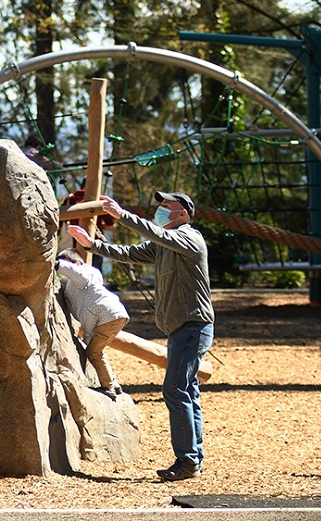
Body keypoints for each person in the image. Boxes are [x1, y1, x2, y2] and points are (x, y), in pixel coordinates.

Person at [68, 191, 215, 482]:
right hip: (179, 329)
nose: (160, 210)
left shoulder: (190, 238)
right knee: (186, 391)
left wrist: (122, 215)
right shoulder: (163, 246)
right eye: (159, 205)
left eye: (166, 207)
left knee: (175, 390)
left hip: (193, 326)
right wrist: (92, 245)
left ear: (183, 213)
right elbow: (129, 254)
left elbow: (152, 231)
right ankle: (192, 460)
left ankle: (187, 461)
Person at [55, 248, 129, 400]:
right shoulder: (79, 283)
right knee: (96, 350)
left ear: (76, 263)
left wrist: (55, 264)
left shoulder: (84, 273)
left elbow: (78, 274)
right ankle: (113, 383)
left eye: (66, 265)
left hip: (108, 315)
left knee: (93, 353)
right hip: (112, 315)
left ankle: (108, 386)